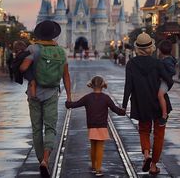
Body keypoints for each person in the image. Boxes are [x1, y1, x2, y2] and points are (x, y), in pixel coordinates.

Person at [20, 20, 71, 178]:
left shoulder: (33, 49)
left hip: (34, 94)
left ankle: (40, 159)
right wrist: (69, 96)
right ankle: (46, 160)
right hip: (51, 94)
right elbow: (66, 76)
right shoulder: (61, 52)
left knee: (37, 129)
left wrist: (31, 78)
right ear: (54, 34)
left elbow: (23, 68)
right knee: (50, 127)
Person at [122, 32, 174, 175]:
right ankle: (153, 165)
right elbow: (169, 80)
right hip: (158, 103)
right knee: (159, 134)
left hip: (141, 103)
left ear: (137, 47)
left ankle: (146, 155)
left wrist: (124, 105)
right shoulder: (157, 63)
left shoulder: (131, 64)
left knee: (144, 130)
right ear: (151, 47)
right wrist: (163, 90)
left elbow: (128, 86)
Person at [65, 75, 125, 177]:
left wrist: (68, 103)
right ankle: (98, 169)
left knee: (93, 145)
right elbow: (115, 109)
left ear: (92, 85)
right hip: (102, 125)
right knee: (100, 147)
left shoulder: (87, 98)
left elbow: (75, 104)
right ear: (102, 86)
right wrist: (122, 112)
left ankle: (93, 166)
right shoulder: (106, 98)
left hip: (91, 125)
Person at [158, 40, 177, 126]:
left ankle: (164, 115)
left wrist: (164, 76)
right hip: (164, 81)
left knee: (160, 95)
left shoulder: (167, 60)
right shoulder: (166, 59)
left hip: (165, 82)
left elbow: (172, 71)